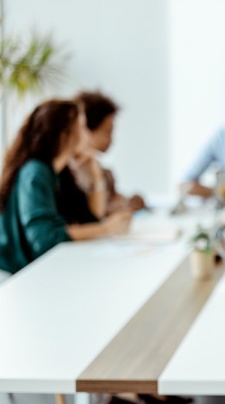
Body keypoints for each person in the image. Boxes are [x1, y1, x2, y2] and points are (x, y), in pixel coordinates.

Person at [0, 100, 132, 276]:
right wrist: (107, 228)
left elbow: (89, 219)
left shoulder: (57, 173)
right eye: (82, 127)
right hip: (16, 276)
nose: (87, 136)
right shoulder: (35, 172)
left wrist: (95, 174)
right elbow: (45, 239)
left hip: (37, 271)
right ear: (65, 136)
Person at [72, 90, 147, 214]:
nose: (111, 140)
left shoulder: (105, 173)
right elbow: (92, 215)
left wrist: (129, 202)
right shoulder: (70, 174)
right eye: (108, 132)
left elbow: (114, 201)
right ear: (85, 130)